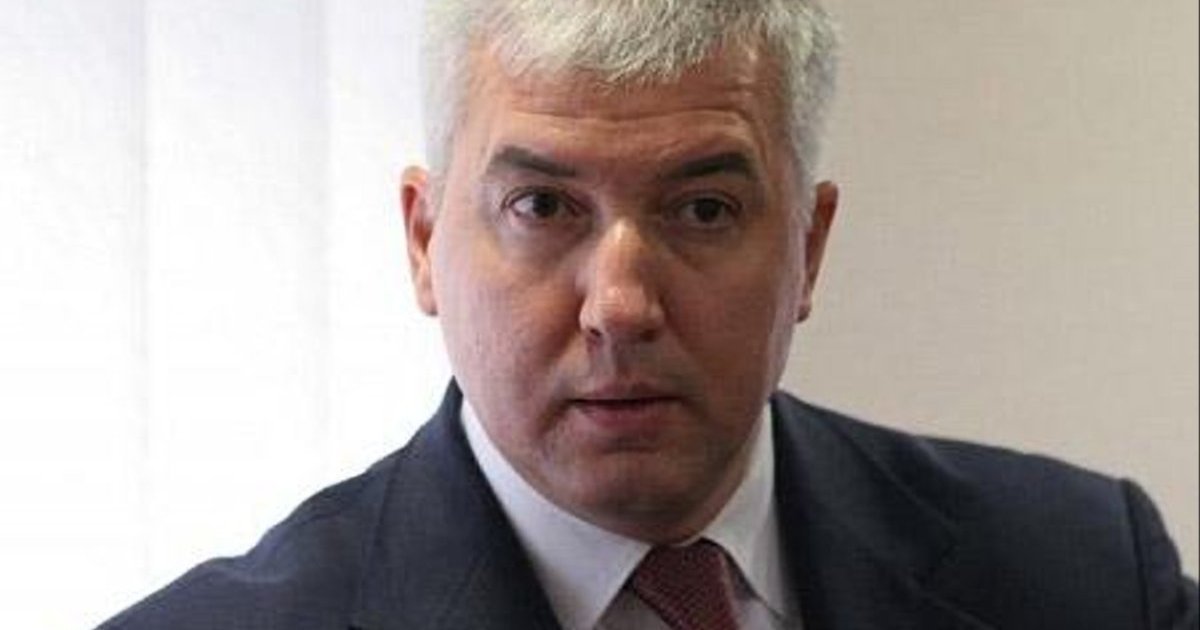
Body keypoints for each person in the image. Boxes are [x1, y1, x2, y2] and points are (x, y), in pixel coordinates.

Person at [98, 1, 1197, 628]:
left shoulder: (1089, 580)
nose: (620, 305)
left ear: (808, 248)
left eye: (704, 208)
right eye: (542, 207)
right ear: (425, 241)